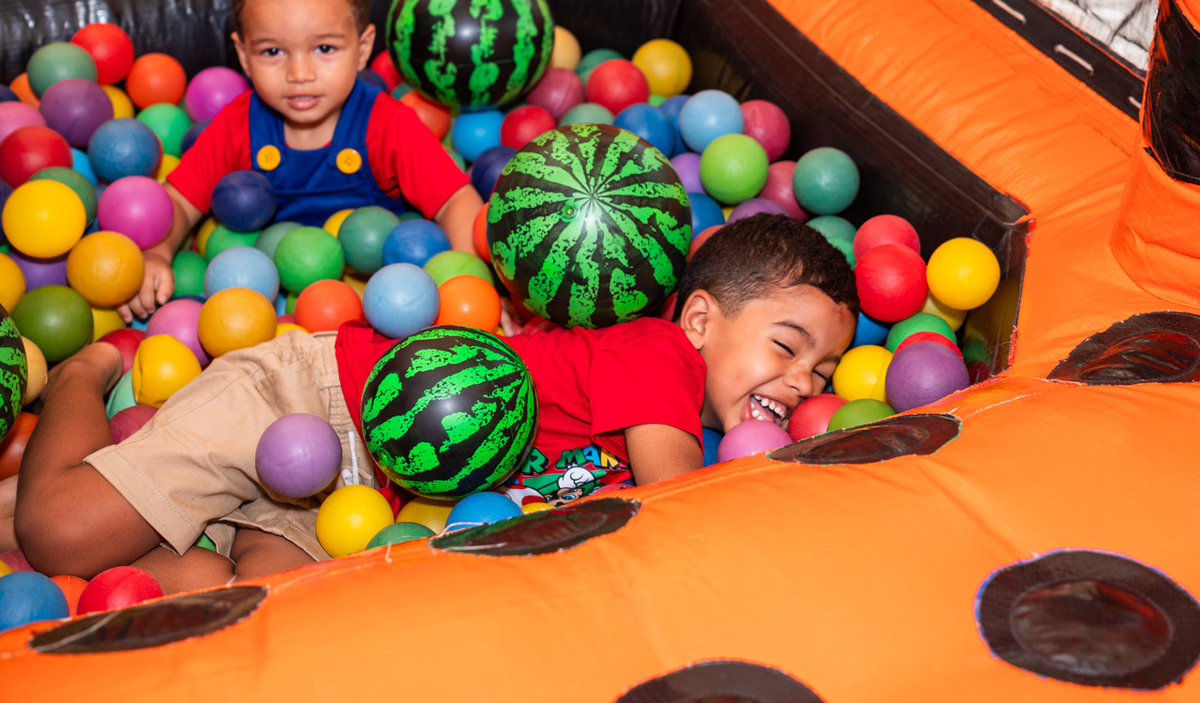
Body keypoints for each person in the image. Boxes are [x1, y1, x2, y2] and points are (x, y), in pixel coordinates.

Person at [12, 214, 858, 593]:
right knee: (63, 530)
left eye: (826, 373)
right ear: (702, 317)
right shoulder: (658, 353)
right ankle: (84, 372)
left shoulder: (701, 423)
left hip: (356, 492)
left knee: (234, 598)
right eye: (788, 346)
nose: (804, 384)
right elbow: (671, 515)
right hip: (324, 392)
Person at [119, 0, 483, 323]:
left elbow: (456, 201)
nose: (299, 73)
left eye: (324, 49)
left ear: (362, 49)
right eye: (273, 51)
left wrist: (466, 290)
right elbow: (178, 201)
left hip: (387, 303)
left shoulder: (387, 124)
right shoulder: (238, 126)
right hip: (270, 307)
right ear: (243, 55)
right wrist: (157, 253)